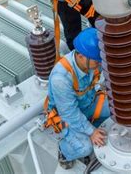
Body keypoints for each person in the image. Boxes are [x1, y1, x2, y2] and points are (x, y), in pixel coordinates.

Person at [45, 28, 109, 169]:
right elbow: (69, 114)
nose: (99, 64)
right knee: (85, 148)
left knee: (116, 106)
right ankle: (64, 151)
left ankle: (90, 125)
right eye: (97, 61)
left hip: (88, 103)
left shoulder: (92, 61)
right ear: (80, 56)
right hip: (68, 116)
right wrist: (91, 132)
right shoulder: (61, 78)